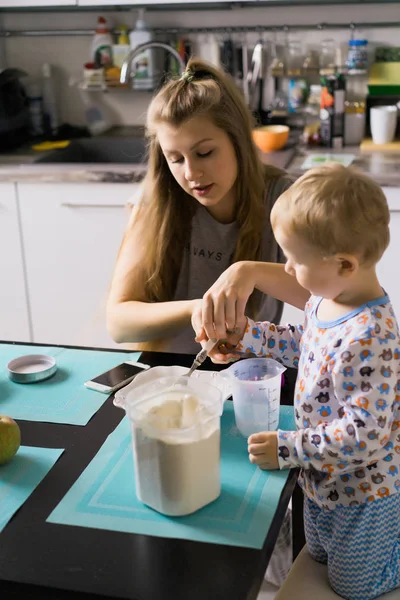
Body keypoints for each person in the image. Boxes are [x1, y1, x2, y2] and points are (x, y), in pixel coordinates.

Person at [194, 163, 400, 600]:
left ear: (344, 263)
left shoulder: (371, 336)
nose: (285, 268)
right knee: (318, 555)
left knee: (355, 588)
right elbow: (306, 346)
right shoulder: (328, 299)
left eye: (294, 259)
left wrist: (290, 447)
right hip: (323, 483)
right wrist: (248, 334)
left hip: (365, 495)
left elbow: (364, 438)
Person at [106, 57, 309, 354]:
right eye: (175, 159)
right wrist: (198, 310)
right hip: (168, 376)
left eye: (204, 152)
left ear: (237, 140)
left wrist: (249, 272)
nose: (190, 173)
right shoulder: (156, 200)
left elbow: (333, 298)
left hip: (248, 378)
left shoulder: (283, 197)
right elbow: (118, 324)